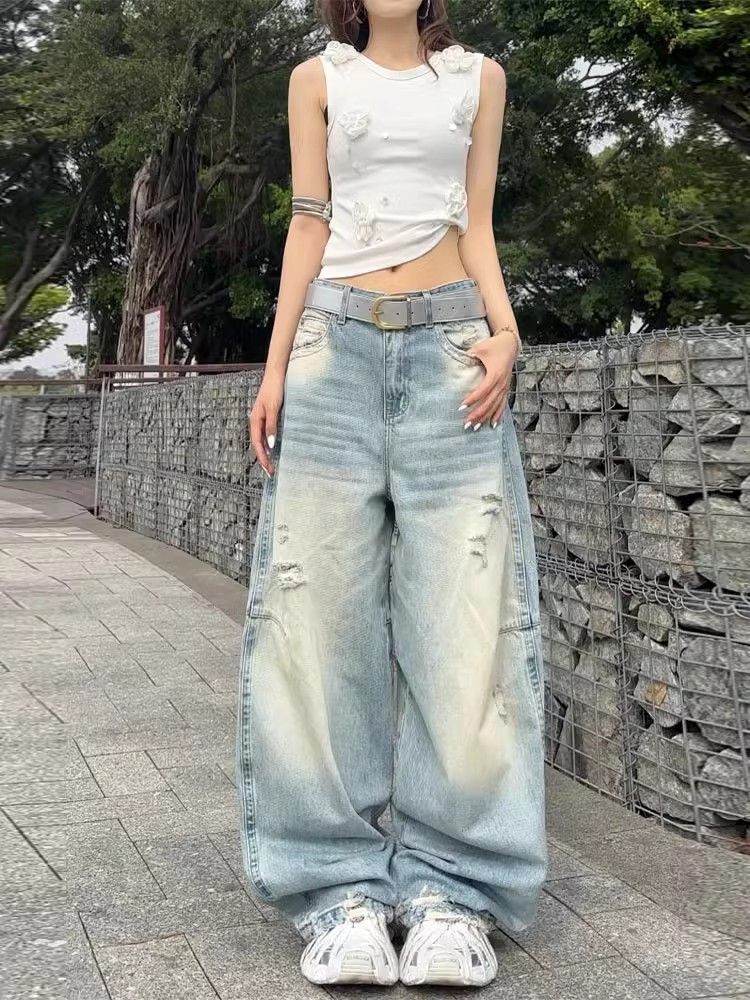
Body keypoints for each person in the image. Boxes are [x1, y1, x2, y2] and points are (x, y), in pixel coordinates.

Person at [238, 0, 546, 988]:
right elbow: (309, 222)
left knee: (467, 623)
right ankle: (339, 893)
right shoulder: (318, 79)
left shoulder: (479, 80)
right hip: (332, 351)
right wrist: (275, 368)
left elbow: (477, 223)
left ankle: (454, 892)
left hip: (454, 352)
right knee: (315, 623)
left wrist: (507, 332)